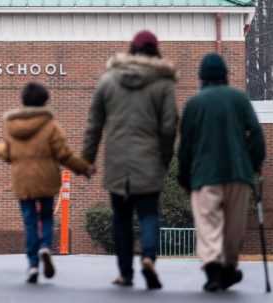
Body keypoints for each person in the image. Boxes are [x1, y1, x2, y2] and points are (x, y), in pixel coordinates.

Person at [81, 30, 178, 290]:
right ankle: (148, 256)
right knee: (148, 214)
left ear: (131, 50)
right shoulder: (163, 83)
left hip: (117, 162)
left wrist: (87, 159)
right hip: (149, 161)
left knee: (121, 218)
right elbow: (169, 127)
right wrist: (165, 158)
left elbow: (94, 124)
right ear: (156, 52)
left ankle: (125, 273)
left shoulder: (108, 81)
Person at [0, 82, 93, 284]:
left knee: (30, 221)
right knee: (46, 217)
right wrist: (83, 168)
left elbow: (9, 153)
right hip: (46, 178)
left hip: (22, 181)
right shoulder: (51, 125)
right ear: (45, 101)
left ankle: (33, 264)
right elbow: (63, 154)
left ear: (23, 101)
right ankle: (45, 247)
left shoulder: (11, 125)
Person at [177, 53, 266, 292]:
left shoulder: (194, 104)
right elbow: (256, 135)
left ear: (202, 78)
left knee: (208, 223)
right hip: (238, 173)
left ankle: (213, 269)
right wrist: (254, 163)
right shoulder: (239, 99)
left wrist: (184, 176)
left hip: (205, 176)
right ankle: (229, 266)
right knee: (233, 226)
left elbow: (185, 146)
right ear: (226, 75)